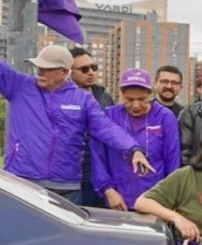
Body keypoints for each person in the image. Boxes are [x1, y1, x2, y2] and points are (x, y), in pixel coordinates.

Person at [0, 45, 154, 203]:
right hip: (22, 180)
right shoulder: (19, 86)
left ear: (64, 72)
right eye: (39, 67)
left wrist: (133, 149)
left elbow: (106, 128)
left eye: (47, 68)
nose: (40, 71)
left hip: (66, 187)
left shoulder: (83, 99)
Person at [91, 69, 180, 211]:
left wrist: (169, 198)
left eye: (142, 99)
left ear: (150, 94)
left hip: (153, 200)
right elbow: (98, 157)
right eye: (129, 100)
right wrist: (108, 190)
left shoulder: (165, 117)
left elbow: (173, 161)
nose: (136, 105)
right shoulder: (110, 115)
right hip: (117, 199)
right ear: (122, 95)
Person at [70, 47, 115, 207]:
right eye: (84, 69)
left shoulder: (104, 96)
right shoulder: (62, 98)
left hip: (102, 176)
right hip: (73, 177)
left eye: (93, 67)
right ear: (69, 72)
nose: (91, 72)